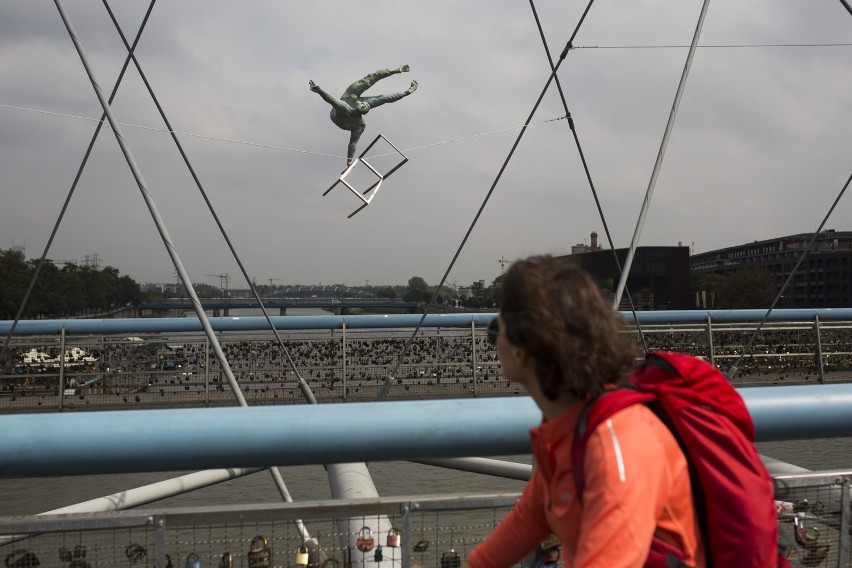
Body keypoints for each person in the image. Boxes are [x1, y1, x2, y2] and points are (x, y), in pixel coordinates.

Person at [464, 255, 703, 568]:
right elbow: (531, 518)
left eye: (499, 326)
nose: (493, 339)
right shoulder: (569, 427)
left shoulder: (613, 445)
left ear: (523, 347)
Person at [308, 66, 418, 165]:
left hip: (346, 118)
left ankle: (406, 92)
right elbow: (330, 99)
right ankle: (397, 76)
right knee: (369, 81)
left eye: (364, 107)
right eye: (364, 106)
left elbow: (353, 142)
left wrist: (349, 160)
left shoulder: (360, 123)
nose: (365, 105)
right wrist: (319, 90)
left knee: (382, 99)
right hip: (338, 114)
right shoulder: (345, 105)